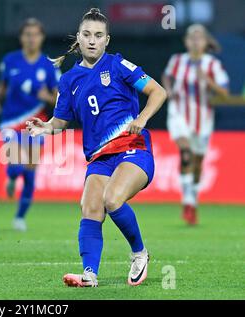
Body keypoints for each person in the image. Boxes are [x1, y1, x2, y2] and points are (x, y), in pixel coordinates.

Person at [26, 8, 167, 287]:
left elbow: (158, 91)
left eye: (98, 35)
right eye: (87, 35)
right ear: (78, 39)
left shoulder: (118, 65)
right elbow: (60, 122)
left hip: (132, 149)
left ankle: (139, 253)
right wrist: (44, 127)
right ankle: (89, 274)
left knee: (112, 199)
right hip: (100, 158)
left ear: (107, 40)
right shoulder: (68, 81)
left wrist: (141, 118)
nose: (92, 40)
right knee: (90, 207)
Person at [0, 18, 60, 232]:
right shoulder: (10, 60)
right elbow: (2, 86)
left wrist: (47, 96)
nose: (31, 38)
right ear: (21, 37)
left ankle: (19, 217)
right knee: (16, 162)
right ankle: (11, 177)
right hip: (10, 122)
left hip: (36, 124)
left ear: (41, 37)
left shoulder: (49, 64)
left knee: (30, 171)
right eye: (27, 34)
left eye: (35, 34)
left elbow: (60, 99)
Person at [162, 24, 229, 225]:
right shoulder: (177, 60)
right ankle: (187, 202)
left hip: (203, 118)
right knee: (185, 153)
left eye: (199, 38)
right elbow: (166, 76)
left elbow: (224, 93)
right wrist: (169, 89)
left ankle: (193, 199)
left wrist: (208, 81)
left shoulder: (212, 65)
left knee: (198, 163)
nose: (195, 41)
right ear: (186, 41)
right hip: (178, 113)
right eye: (192, 37)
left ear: (206, 42)